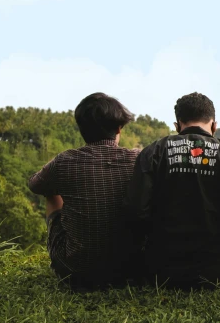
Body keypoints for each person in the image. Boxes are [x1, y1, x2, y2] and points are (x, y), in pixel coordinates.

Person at [125, 92, 220, 287]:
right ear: (214, 125)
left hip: (160, 271)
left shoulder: (153, 151)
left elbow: (135, 211)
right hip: (216, 271)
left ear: (177, 125)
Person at [28, 92, 141, 290]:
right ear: (118, 128)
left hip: (74, 270)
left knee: (50, 191)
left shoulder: (65, 160)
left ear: (82, 129)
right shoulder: (138, 159)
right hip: (130, 269)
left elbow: (35, 185)